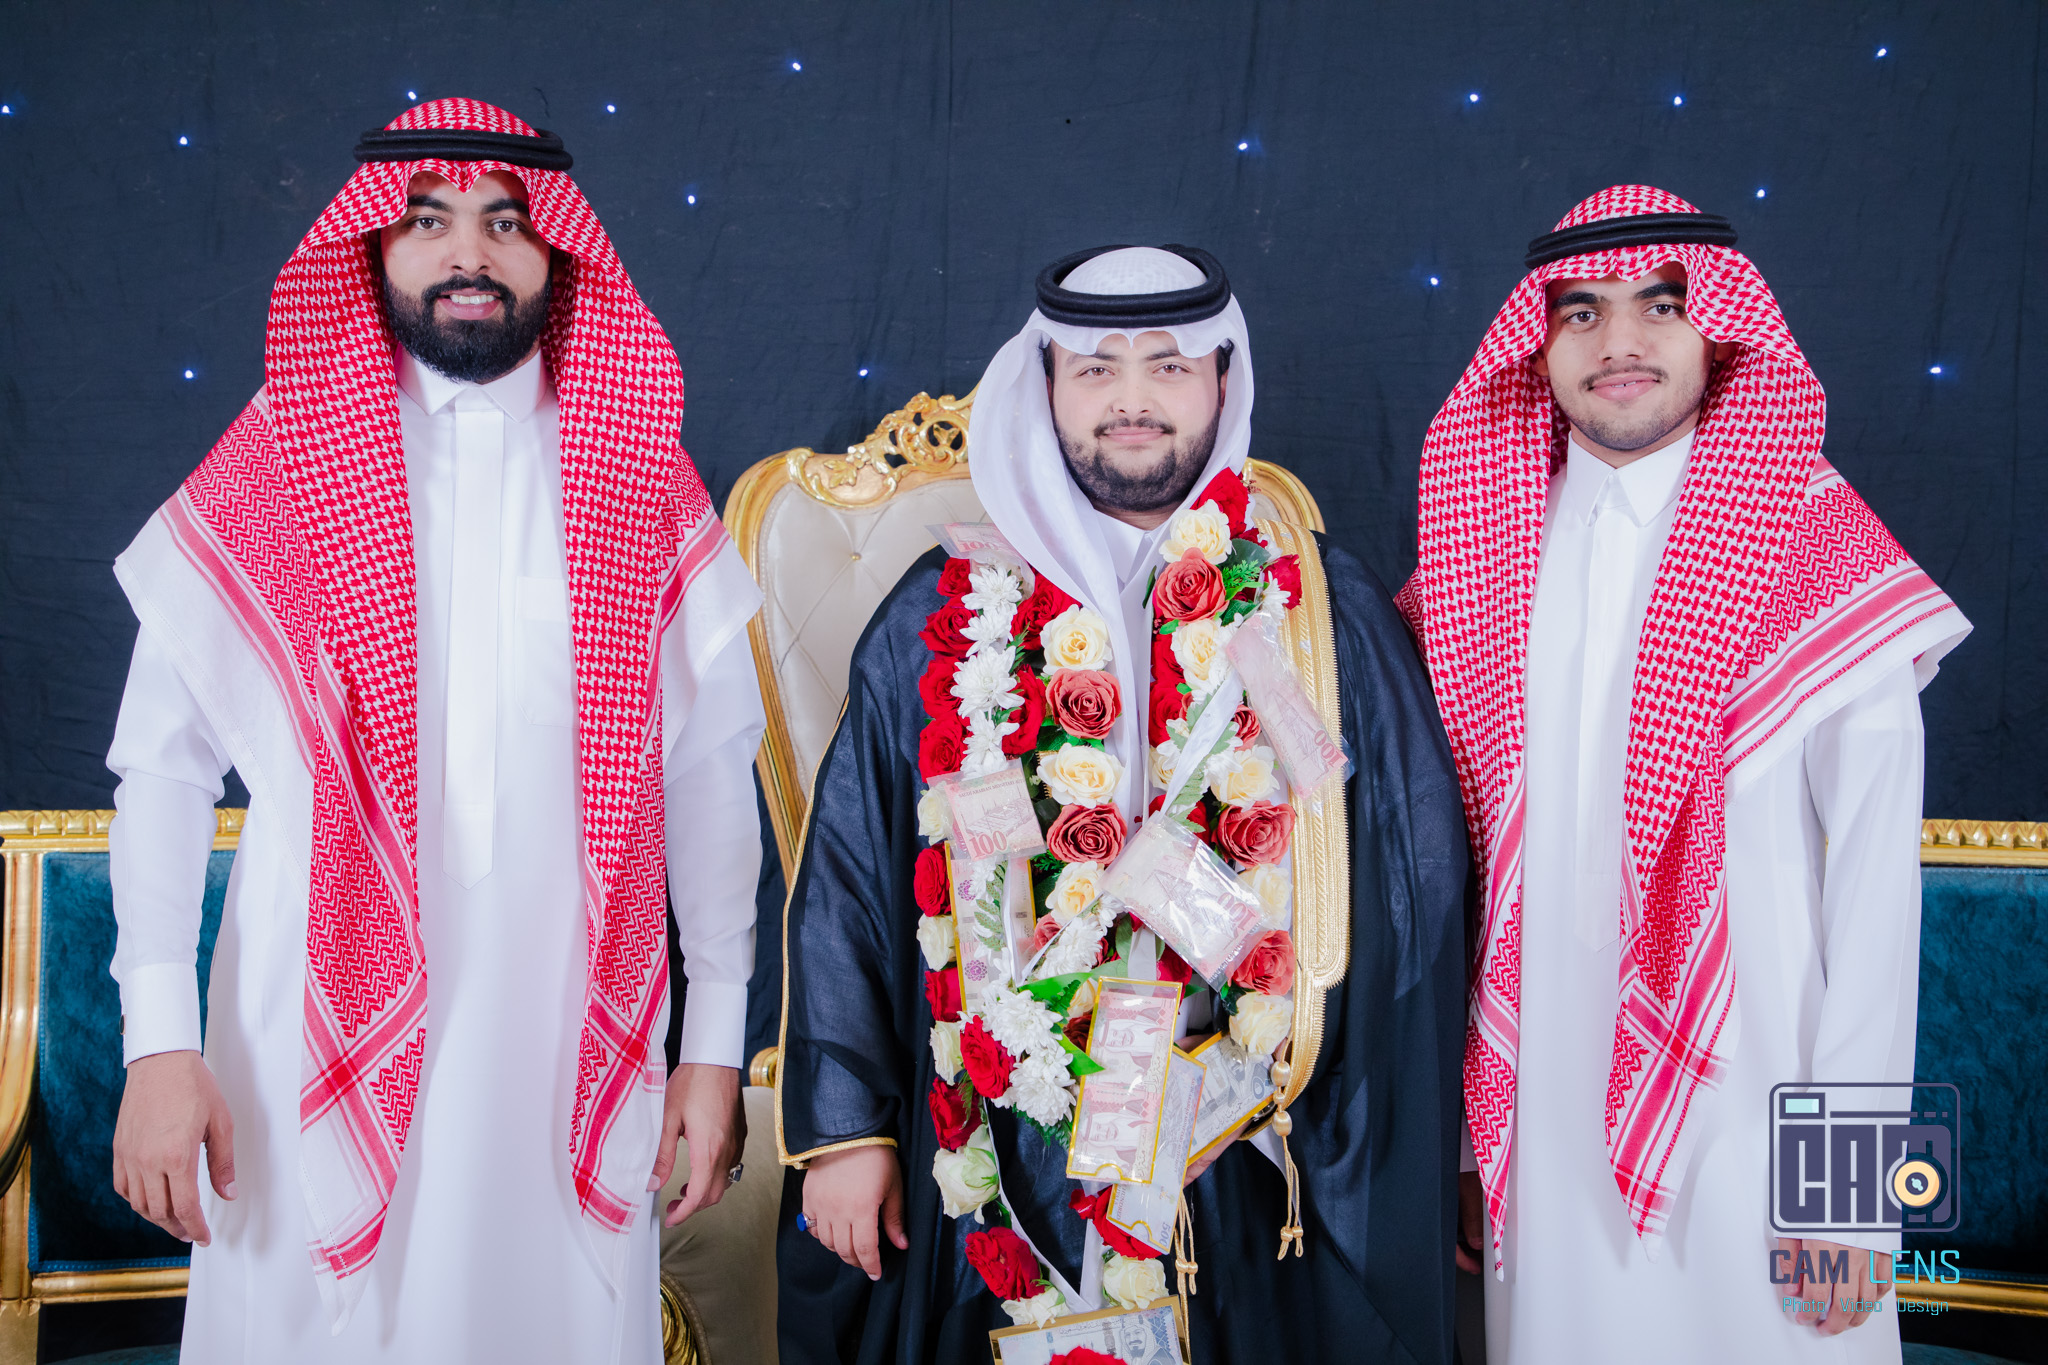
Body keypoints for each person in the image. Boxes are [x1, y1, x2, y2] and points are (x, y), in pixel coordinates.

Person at [103, 98, 765, 1363]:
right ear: (372, 246)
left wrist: (715, 1047)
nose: (469, 253)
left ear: (555, 248)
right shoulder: (281, 459)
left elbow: (707, 777)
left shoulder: (636, 472)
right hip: (300, 1033)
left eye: (505, 222)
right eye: (428, 221)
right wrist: (159, 1044)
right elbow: (161, 769)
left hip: (566, 1039)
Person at [776, 245, 1468, 1363]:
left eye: (1169, 365)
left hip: (1243, 1134)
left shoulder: (1316, 612)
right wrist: (848, 1129)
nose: (1132, 399)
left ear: (1222, 383)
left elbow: (1415, 881)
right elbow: (849, 880)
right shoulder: (940, 615)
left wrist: (1326, 1075)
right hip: (1004, 1129)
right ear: (1045, 386)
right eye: (1096, 368)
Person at [1398, 185, 1971, 1362]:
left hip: (1755, 1121)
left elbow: (1873, 898)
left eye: (1659, 305)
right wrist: (1466, 1146)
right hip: (1541, 1123)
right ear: (1536, 343)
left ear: (1717, 330)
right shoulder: (1479, 553)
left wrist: (1848, 1196)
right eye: (1579, 311)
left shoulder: (1813, 546)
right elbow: (1462, 884)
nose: (1618, 341)